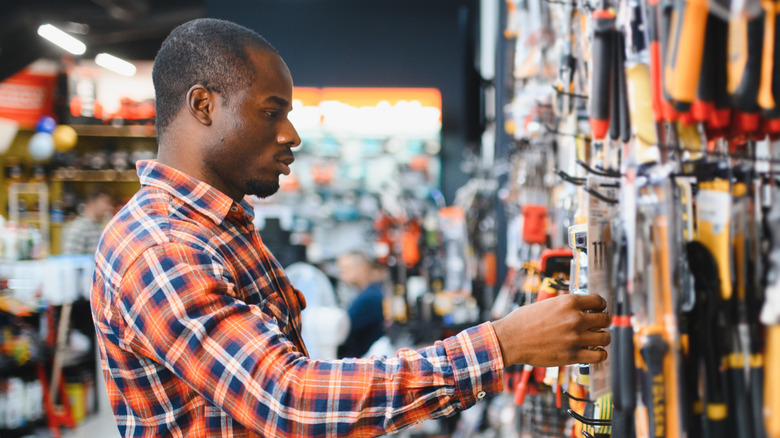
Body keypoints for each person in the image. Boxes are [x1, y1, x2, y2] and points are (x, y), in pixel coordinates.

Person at [90, 18, 611, 437]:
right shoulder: (160, 247)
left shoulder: (218, 225)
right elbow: (288, 401)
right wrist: (500, 345)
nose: (291, 134)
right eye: (271, 112)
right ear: (203, 105)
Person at [336, 251, 386, 358]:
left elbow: (342, 326)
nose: (341, 274)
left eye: (346, 269)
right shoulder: (373, 291)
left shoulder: (369, 297)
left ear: (362, 270)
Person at [61, 186, 113, 255]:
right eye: (105, 202)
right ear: (91, 202)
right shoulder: (78, 227)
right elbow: (70, 258)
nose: (108, 206)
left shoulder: (100, 225)